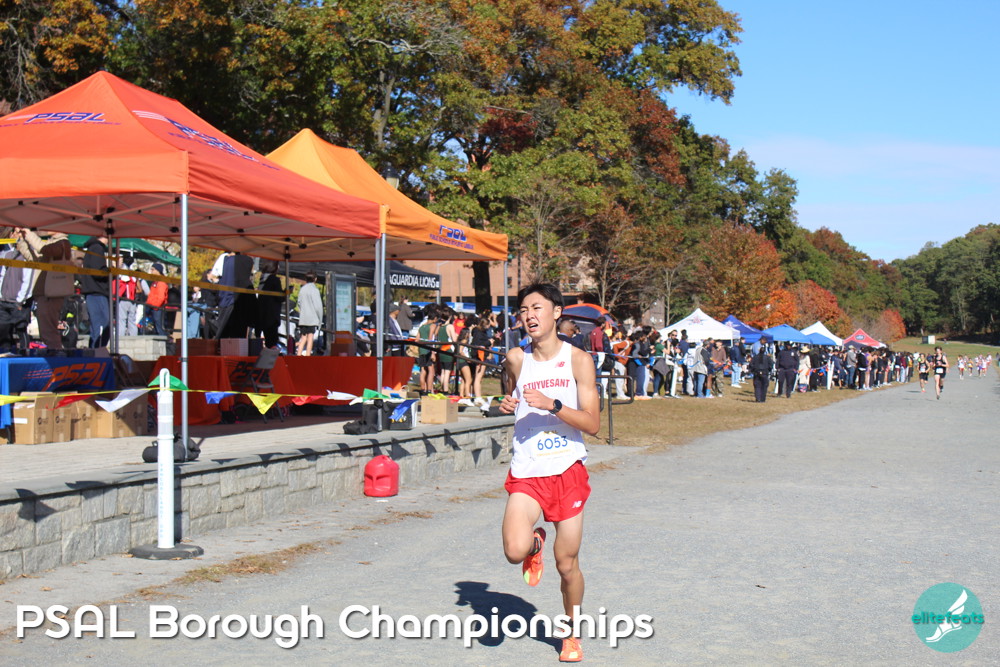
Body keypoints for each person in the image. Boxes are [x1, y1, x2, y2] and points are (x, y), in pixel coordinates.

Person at [498, 283, 599, 663]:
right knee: (514, 550)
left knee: (566, 564)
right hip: (527, 469)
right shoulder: (515, 358)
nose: (529, 316)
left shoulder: (578, 360)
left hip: (566, 470)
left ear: (557, 312)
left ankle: (572, 633)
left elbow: (592, 423)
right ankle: (534, 546)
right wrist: (507, 403)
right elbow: (512, 394)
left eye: (537, 307)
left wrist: (553, 404)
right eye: (523, 310)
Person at [16, 228, 74, 351]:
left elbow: (42, 249)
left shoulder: (62, 243)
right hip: (46, 292)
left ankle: (56, 352)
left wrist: (29, 234)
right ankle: (54, 351)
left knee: (48, 330)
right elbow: (34, 258)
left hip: (52, 293)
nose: (44, 229)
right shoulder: (53, 243)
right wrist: (22, 240)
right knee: (45, 329)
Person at [79, 235, 110, 347]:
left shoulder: (92, 248)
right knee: (103, 325)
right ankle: (97, 350)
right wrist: (111, 271)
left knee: (97, 326)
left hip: (93, 291)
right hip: (97, 291)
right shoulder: (97, 248)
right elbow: (98, 272)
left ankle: (95, 350)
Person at [295, 271, 322, 356]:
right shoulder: (315, 290)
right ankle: (308, 356)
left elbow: (299, 303)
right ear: (315, 279)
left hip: (303, 318)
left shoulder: (302, 289)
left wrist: (302, 311)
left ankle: (298, 355)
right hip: (312, 318)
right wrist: (320, 319)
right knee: (310, 337)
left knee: (303, 338)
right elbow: (318, 306)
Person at [145, 263, 170, 336]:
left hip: (158, 308)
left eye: (153, 270)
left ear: (158, 271)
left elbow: (161, 298)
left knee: (160, 328)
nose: (151, 271)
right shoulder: (155, 282)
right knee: (156, 328)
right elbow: (152, 295)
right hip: (153, 307)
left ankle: (164, 341)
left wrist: (155, 305)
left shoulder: (161, 283)